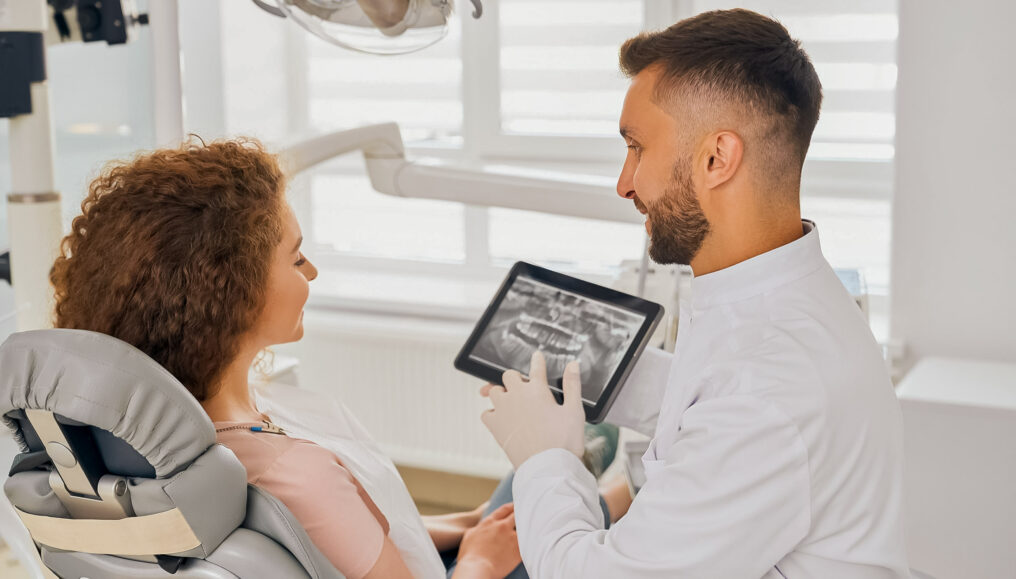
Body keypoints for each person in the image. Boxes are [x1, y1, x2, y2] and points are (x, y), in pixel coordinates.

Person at [48, 137, 630, 579]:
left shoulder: (153, 438)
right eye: (296, 258)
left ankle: (602, 488)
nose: (312, 272)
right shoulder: (295, 471)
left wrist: (466, 524)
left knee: (558, 451)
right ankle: (619, 496)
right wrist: (478, 559)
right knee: (587, 437)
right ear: (233, 290)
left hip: (426, 549)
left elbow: (333, 534)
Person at [480, 9, 910, 578]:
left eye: (637, 148)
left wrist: (545, 458)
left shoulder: (772, 385)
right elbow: (714, 396)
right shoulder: (779, 296)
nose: (624, 182)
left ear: (716, 159)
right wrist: (603, 368)